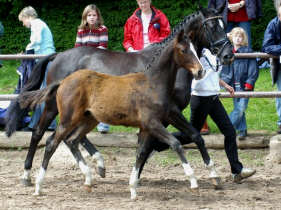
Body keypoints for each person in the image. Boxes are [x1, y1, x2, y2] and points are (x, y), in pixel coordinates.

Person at [190, 48, 256, 182]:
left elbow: (213, 73)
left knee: (230, 132)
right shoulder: (198, 50)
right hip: (200, 98)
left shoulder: (214, 51)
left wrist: (225, 85)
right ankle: (156, 143)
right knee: (189, 135)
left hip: (213, 98)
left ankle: (237, 171)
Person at [18, 6, 56, 131]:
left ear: (27, 17)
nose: (23, 24)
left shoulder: (36, 24)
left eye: (22, 21)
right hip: (46, 59)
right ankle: (45, 124)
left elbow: (36, 40)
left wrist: (28, 48)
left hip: (45, 59)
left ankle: (43, 124)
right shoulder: (40, 24)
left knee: (44, 92)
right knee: (44, 92)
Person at [75, 4, 109, 133]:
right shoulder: (81, 30)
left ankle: (104, 123)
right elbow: (78, 48)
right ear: (85, 17)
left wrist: (88, 57)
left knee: (101, 93)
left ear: (98, 17)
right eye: (89, 15)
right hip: (84, 65)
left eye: (94, 15)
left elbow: (102, 48)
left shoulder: (102, 29)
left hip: (99, 64)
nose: (92, 18)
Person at [221, 27, 259, 140]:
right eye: (236, 36)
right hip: (232, 85)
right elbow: (224, 68)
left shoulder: (248, 51)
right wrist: (225, 82)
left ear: (243, 39)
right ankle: (242, 130)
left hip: (244, 85)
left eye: (240, 37)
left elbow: (254, 69)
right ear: (232, 37)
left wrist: (249, 83)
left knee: (241, 108)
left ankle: (226, 126)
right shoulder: (228, 51)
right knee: (238, 107)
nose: (238, 38)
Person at [262, 0, 281, 134]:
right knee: (280, 94)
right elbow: (267, 46)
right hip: (279, 64)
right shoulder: (273, 24)